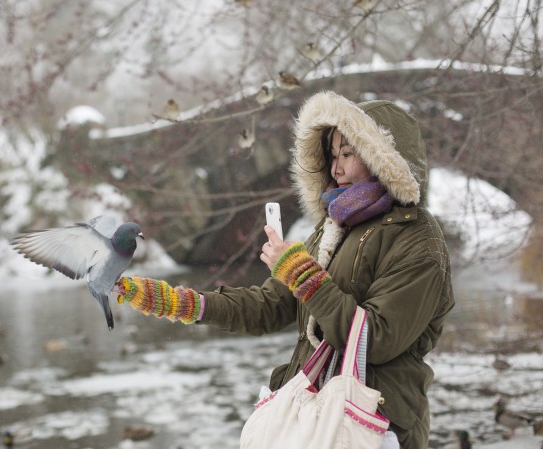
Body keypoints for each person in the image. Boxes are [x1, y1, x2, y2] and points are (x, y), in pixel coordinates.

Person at [115, 90, 455, 449]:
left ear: (381, 158)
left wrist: (302, 274)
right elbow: (272, 305)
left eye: (347, 154)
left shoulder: (416, 237)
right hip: (311, 420)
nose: (336, 169)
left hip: (374, 428)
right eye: (332, 156)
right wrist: (183, 304)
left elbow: (375, 339)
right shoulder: (334, 227)